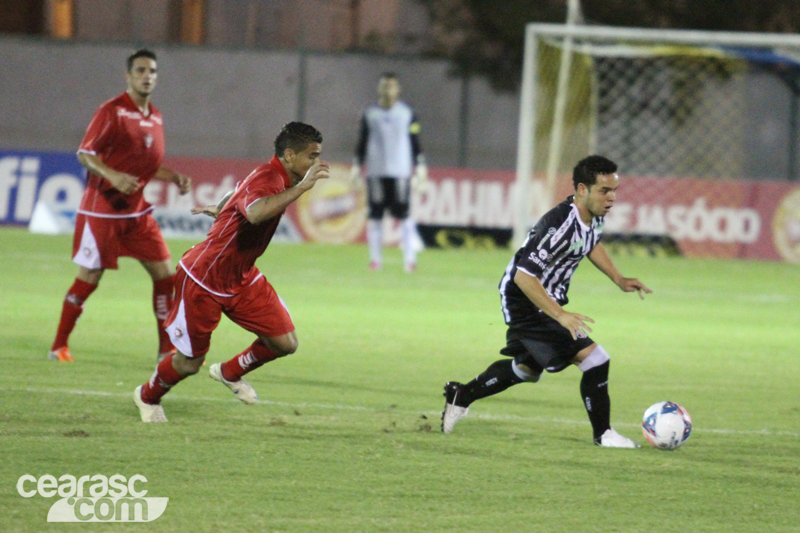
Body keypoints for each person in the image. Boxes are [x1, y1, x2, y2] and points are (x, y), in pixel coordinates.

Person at [441, 155, 652, 447]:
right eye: (605, 190)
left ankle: (461, 395)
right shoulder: (559, 224)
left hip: (545, 299)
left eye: (615, 190)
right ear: (582, 189)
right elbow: (524, 277)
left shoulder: (593, 215)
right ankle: (603, 435)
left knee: (526, 370)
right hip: (526, 299)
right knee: (595, 359)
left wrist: (618, 278)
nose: (612, 197)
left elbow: (590, 243)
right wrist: (561, 316)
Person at [133, 122, 329, 423]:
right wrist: (302, 189)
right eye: (311, 156)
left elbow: (238, 194)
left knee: (284, 342)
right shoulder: (270, 177)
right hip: (204, 279)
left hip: (242, 277)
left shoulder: (279, 175)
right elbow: (254, 212)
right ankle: (147, 396)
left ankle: (229, 372)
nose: (316, 164)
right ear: (289, 156)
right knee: (189, 362)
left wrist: (222, 207)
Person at [48, 48, 191, 363]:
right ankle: (58, 345)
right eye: (140, 70)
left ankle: (166, 349)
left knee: (166, 276)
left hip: (137, 213)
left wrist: (173, 176)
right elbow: (85, 153)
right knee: (90, 276)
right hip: (102, 211)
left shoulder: (154, 115)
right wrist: (112, 175)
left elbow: (147, 164)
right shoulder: (111, 111)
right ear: (128, 76)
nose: (147, 76)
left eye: (152, 71)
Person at [350, 72, 427, 272]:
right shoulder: (369, 114)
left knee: (404, 216)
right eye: (384, 86)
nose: (387, 90)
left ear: (397, 89)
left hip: (400, 172)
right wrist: (356, 167)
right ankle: (375, 260)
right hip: (376, 172)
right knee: (375, 216)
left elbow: (415, 142)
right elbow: (362, 142)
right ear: (379, 88)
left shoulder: (407, 113)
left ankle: (410, 260)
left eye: (391, 86)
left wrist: (420, 166)